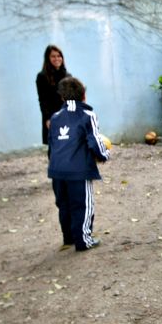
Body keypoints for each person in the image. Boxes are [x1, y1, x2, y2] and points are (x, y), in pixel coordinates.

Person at [47, 76, 111, 252]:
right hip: (79, 170)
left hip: (57, 170)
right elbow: (95, 141)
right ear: (84, 95)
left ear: (61, 97)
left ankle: (69, 238)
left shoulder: (55, 117)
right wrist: (104, 155)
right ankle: (84, 240)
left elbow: (51, 145)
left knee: (64, 204)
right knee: (83, 204)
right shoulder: (87, 115)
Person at [36, 44, 71, 152]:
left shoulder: (67, 75)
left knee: (68, 144)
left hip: (67, 115)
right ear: (48, 58)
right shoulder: (42, 77)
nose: (57, 58)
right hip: (52, 116)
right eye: (53, 56)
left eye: (59, 56)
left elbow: (72, 97)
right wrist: (47, 118)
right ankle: (55, 168)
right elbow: (43, 100)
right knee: (55, 146)